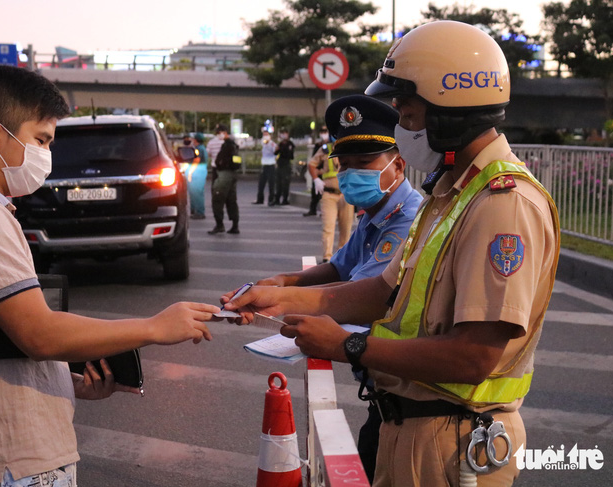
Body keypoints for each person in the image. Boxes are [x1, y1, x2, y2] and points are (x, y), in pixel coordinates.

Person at [223, 21, 559, 487]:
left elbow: (474, 357)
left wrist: (348, 346)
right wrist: (275, 299)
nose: (400, 123)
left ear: (448, 106)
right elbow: (382, 293)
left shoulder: (503, 206)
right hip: (413, 429)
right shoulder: (449, 194)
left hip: (453, 444)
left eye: (405, 108)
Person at [0, 64, 219, 487]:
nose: (47, 154)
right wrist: (153, 327)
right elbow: (39, 334)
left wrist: (68, 381)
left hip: (21, 456)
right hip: (11, 462)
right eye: (40, 140)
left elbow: (1, 336)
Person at [257, 95, 422, 482]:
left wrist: (280, 300)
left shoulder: (405, 220)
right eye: (344, 164)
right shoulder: (378, 212)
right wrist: (284, 281)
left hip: (407, 389)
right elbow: (338, 266)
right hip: (387, 390)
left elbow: (361, 295)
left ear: (397, 165)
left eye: (364, 163)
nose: (350, 173)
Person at [308, 126, 355, 262]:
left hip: (346, 195)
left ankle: (342, 258)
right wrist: (316, 179)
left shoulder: (349, 149)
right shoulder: (324, 149)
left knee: (346, 229)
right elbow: (311, 164)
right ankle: (327, 258)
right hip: (329, 195)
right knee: (328, 227)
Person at [208, 124, 241, 234]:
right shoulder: (234, 145)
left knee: (217, 198)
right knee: (231, 200)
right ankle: (235, 225)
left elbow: (220, 160)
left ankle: (219, 224)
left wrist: (221, 163)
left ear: (224, 132)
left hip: (224, 174)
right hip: (232, 174)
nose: (219, 135)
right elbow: (237, 162)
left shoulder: (227, 145)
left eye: (219, 133)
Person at [302, 125, 329, 217]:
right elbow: (314, 159)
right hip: (318, 171)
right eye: (322, 132)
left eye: (325, 132)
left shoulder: (331, 145)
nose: (323, 134)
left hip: (327, 172)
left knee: (325, 193)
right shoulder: (318, 145)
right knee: (315, 191)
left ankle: (324, 210)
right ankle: (312, 209)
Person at [183, 133, 208, 219]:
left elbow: (196, 160)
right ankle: (194, 210)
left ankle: (200, 212)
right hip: (200, 171)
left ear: (196, 140)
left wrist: (190, 172)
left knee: (197, 193)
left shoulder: (198, 149)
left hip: (197, 172)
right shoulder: (201, 148)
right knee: (194, 192)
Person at [253, 129, 278, 205]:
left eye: (266, 135)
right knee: (261, 183)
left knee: (271, 183)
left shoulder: (272, 144)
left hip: (271, 165)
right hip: (264, 165)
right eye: (264, 135)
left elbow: (275, 152)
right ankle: (260, 199)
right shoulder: (263, 143)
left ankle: (271, 199)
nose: (265, 136)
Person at [274, 128, 296, 205]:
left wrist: (281, 149)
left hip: (286, 165)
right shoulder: (280, 144)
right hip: (280, 165)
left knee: (285, 183)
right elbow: (276, 153)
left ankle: (285, 199)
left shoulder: (290, 144)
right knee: (278, 183)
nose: (283, 135)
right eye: (282, 133)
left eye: (285, 133)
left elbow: (290, 155)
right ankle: (277, 199)